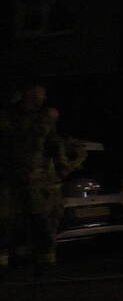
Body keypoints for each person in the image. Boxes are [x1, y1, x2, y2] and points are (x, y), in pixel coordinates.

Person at [0, 78, 83, 278]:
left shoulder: (44, 119)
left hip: (36, 180)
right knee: (6, 222)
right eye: (41, 92)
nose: (44, 97)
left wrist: (62, 165)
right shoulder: (8, 117)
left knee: (41, 220)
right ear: (31, 92)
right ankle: (5, 261)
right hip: (10, 179)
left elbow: (54, 143)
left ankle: (45, 261)